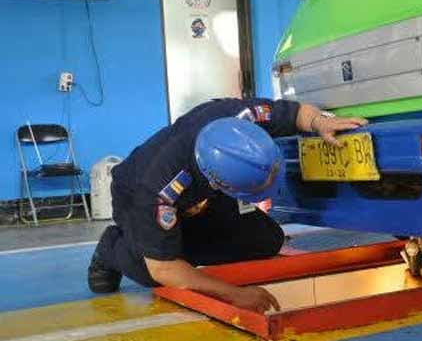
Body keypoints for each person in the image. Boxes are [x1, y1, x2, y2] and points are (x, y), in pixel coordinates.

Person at [87, 98, 367, 313]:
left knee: (267, 240)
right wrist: (235, 295)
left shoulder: (244, 117)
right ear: (218, 182)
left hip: (200, 199)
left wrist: (319, 121)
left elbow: (296, 113)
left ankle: (184, 240)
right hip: (132, 198)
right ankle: (111, 248)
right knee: (154, 271)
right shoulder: (159, 189)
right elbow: (164, 268)